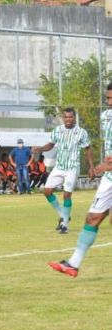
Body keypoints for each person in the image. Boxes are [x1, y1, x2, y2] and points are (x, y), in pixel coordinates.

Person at [48, 84, 112, 276]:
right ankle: (73, 264)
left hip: (108, 170)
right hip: (109, 177)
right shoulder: (106, 117)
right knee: (93, 217)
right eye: (108, 99)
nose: (109, 103)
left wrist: (103, 165)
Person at [33, 107, 94, 234]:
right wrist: (40, 149)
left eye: (70, 117)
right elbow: (50, 145)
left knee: (67, 194)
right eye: (66, 117)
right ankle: (63, 215)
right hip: (59, 167)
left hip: (72, 167)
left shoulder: (81, 132)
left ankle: (64, 224)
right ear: (63, 118)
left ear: (74, 118)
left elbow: (88, 149)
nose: (68, 119)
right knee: (47, 191)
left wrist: (91, 167)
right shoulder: (57, 130)